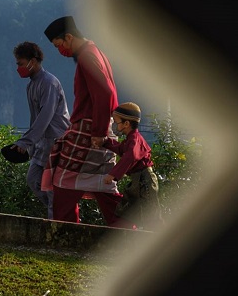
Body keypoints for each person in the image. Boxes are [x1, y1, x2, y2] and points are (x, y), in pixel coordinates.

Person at [40, 15, 129, 227]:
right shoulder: (95, 52)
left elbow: (105, 93)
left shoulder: (87, 56)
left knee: (63, 181)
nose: (60, 50)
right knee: (103, 182)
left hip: (89, 128)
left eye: (58, 45)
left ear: (68, 37)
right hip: (97, 126)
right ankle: (126, 230)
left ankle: (66, 232)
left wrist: (97, 132)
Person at [11, 41, 71, 219]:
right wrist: (30, 145)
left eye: (21, 63)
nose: (19, 68)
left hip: (57, 141)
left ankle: (57, 224)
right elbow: (35, 120)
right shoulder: (31, 85)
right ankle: (59, 211)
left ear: (33, 61)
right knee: (33, 180)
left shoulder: (49, 83)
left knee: (52, 187)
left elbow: (45, 117)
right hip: (42, 143)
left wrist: (25, 141)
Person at [103, 102, 163, 230]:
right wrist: (105, 142)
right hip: (137, 181)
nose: (115, 125)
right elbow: (120, 149)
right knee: (123, 213)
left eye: (117, 122)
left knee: (151, 218)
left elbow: (129, 156)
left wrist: (112, 174)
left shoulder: (135, 139)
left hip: (144, 181)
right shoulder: (131, 139)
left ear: (126, 124)